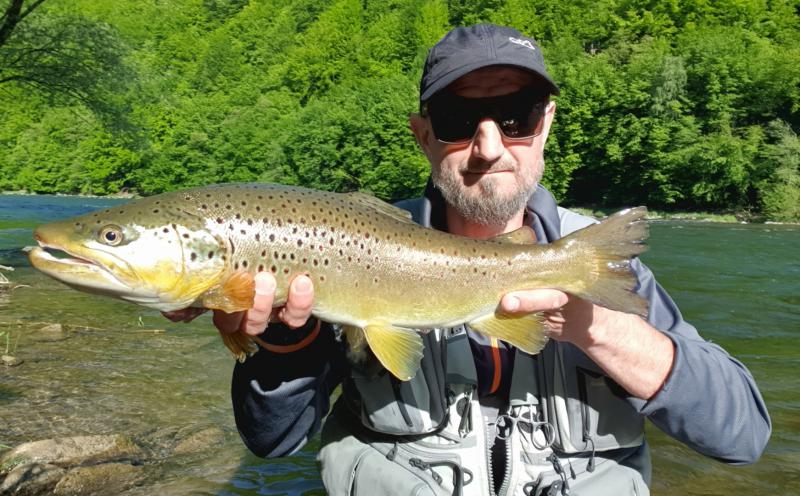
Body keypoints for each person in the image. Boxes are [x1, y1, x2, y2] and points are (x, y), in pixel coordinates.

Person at [166, 24, 770, 496]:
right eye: (458, 121)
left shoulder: (592, 259)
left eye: (515, 117)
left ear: (545, 124)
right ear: (423, 135)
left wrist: (600, 329)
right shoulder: (341, 247)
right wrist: (285, 344)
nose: (488, 146)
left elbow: (741, 435)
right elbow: (273, 442)